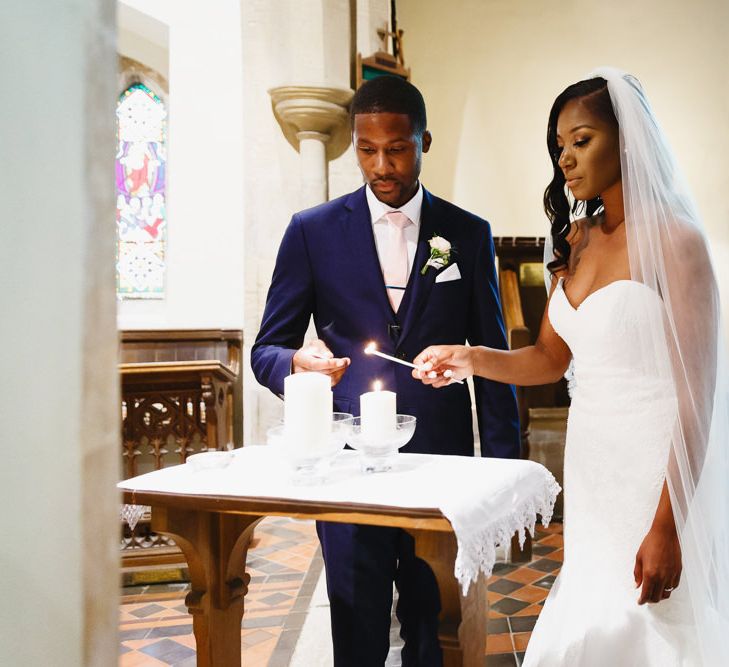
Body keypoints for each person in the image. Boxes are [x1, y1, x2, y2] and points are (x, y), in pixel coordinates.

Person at [413, 68, 729, 665]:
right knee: (593, 607)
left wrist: (667, 524)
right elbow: (549, 360)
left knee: (651, 622)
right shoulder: (575, 241)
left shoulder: (677, 242)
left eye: (582, 140)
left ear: (627, 138)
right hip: (593, 468)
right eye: (560, 146)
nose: (567, 158)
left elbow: (698, 395)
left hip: (653, 472)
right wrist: (471, 358)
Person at [252, 75, 520, 666]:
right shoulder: (312, 232)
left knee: (435, 625)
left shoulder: (467, 235)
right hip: (346, 468)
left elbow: (495, 358)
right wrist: (298, 363)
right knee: (356, 624)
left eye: (396, 148)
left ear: (424, 142)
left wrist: (503, 475)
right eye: (366, 149)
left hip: (441, 464)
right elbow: (266, 349)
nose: (380, 165)